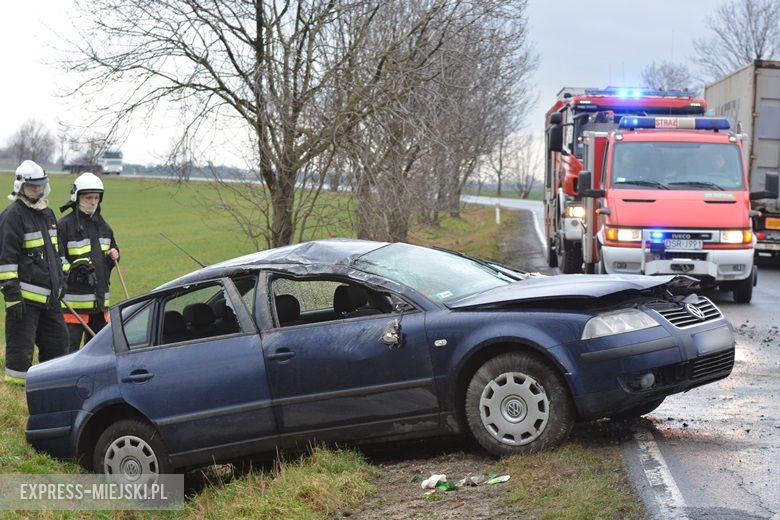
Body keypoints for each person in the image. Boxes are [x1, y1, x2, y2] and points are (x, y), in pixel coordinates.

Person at [0, 160, 69, 385]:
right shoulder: (13, 216)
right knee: (21, 353)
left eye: (40, 186)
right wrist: (12, 296)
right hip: (24, 303)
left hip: (51, 300)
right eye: (32, 187)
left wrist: (62, 280)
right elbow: (6, 260)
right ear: (21, 186)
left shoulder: (47, 214)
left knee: (59, 346)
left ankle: (51, 389)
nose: (37, 190)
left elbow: (57, 254)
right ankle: (16, 396)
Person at [58, 172, 120, 352]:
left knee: (98, 353)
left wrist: (115, 255)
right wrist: (72, 270)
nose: (93, 201)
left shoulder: (104, 226)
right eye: (88, 197)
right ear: (77, 198)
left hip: (100, 304)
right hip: (74, 306)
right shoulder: (65, 225)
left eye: (96, 197)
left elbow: (112, 252)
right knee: (69, 352)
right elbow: (56, 259)